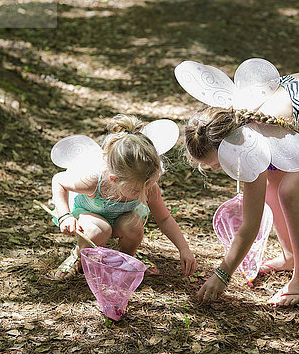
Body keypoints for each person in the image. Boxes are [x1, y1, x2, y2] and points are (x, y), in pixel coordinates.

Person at [184, 72, 299, 307]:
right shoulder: (232, 126)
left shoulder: (252, 139)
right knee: (273, 187)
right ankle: (290, 257)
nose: (215, 169)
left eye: (216, 163)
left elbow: (250, 225)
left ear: (232, 146)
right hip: (298, 108)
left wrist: (222, 274)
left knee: (290, 191)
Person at [51, 114, 197, 280]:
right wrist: (65, 217)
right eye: (136, 191)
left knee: (134, 227)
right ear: (115, 179)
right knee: (99, 230)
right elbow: (59, 181)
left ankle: (125, 260)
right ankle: (78, 255)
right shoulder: (95, 180)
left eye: (147, 187)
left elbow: (164, 219)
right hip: (91, 217)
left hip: (121, 218)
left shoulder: (146, 185)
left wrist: (183, 248)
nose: (143, 193)